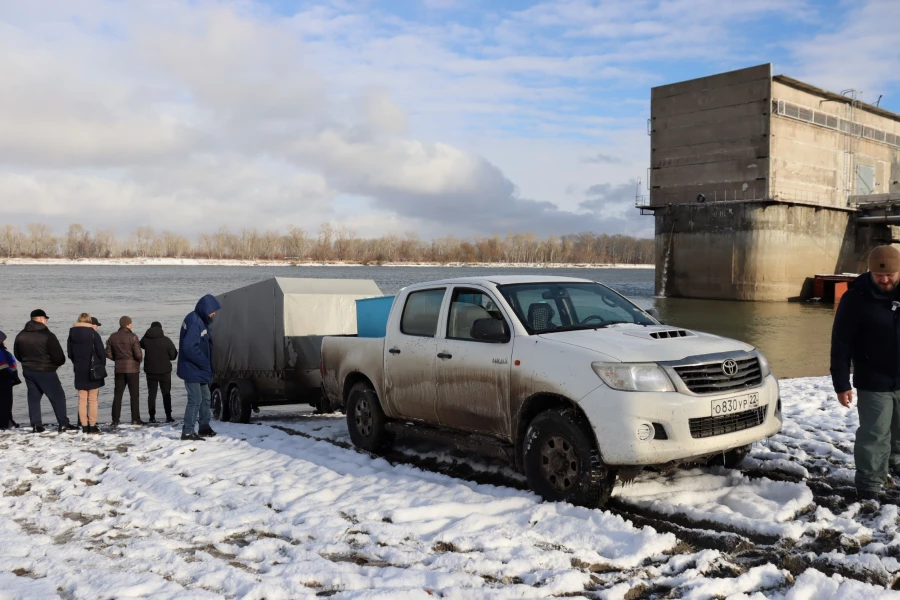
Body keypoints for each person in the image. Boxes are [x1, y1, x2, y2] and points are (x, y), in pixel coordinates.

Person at [831, 244, 900, 503]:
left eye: (890, 274)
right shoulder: (856, 298)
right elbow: (841, 343)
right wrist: (841, 382)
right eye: (878, 275)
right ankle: (870, 483)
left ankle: (895, 461)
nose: (884, 279)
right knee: (875, 432)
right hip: (873, 377)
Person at [13, 310, 76, 433]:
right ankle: (63, 423)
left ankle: (36, 425)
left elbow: (17, 354)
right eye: (45, 319)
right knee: (58, 397)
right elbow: (59, 357)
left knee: (34, 398)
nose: (46, 321)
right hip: (45, 370)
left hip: (28, 370)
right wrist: (55, 365)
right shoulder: (48, 335)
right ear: (41, 319)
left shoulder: (20, 335)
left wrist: (27, 363)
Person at [178, 294, 221, 441]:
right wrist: (205, 363)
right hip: (193, 368)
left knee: (206, 398)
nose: (214, 313)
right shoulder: (195, 322)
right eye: (212, 310)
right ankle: (188, 431)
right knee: (195, 399)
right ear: (205, 308)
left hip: (199, 369)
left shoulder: (200, 320)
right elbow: (189, 348)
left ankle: (204, 426)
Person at [67, 313, 106, 434]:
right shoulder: (93, 333)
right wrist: (101, 365)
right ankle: (92, 425)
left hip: (79, 369)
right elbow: (101, 352)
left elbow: (70, 353)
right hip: (92, 369)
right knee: (93, 399)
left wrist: (77, 362)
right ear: (89, 322)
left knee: (82, 399)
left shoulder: (72, 334)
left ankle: (84, 425)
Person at [106, 316, 143, 426]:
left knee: (118, 395)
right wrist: (138, 361)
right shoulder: (133, 337)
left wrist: (117, 359)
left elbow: (107, 353)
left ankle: (115, 420)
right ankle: (135, 419)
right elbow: (138, 355)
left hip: (119, 369)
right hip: (132, 370)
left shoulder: (112, 337)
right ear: (128, 324)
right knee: (134, 395)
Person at [140, 321, 178, 423]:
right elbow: (173, 355)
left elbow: (141, 344)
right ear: (161, 329)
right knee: (166, 394)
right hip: (164, 371)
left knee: (152, 394)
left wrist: (147, 333)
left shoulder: (146, 340)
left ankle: (152, 417)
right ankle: (168, 417)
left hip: (150, 372)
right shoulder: (166, 340)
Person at [0, 330, 22, 430]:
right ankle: (6, 423)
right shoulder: (2, 352)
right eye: (3, 340)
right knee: (6, 402)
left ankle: (8, 421)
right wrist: (14, 377)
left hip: (5, 379)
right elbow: (4, 367)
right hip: (4, 380)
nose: (5, 342)